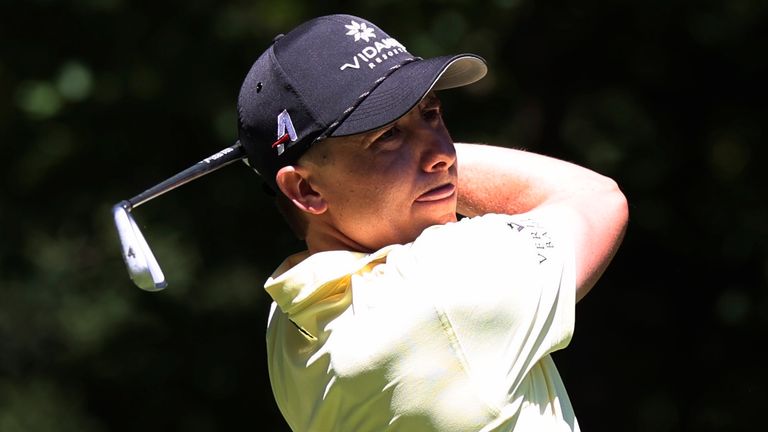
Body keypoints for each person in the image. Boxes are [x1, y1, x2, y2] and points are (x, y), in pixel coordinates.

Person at [236, 14, 628, 432]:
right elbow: (593, 198)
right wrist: (439, 169)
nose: (442, 152)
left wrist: (414, 164)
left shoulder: (289, 320)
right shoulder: (441, 290)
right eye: (386, 136)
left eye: (431, 114)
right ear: (307, 191)